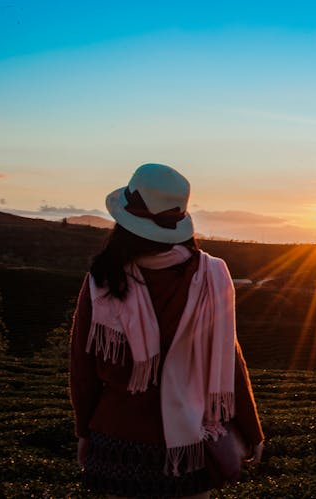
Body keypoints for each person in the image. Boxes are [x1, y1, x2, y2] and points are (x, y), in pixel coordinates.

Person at [70, 163, 264, 498]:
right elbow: (229, 363)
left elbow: (82, 369)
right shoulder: (212, 276)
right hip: (189, 450)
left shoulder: (102, 279)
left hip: (116, 443)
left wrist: (84, 431)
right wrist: (252, 432)